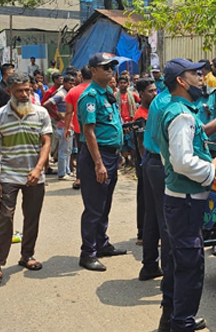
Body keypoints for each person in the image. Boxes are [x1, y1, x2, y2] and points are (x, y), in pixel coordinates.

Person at [153, 58, 216, 332]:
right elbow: (181, 161)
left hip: (180, 200)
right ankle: (181, 323)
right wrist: (211, 168)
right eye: (195, 73)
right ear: (181, 80)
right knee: (190, 268)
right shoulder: (180, 114)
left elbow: (191, 142)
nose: (202, 76)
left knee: (178, 263)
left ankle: (170, 320)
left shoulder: (179, 110)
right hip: (185, 202)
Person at [0, 72, 52, 285]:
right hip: (9, 176)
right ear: (9, 92)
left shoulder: (41, 114)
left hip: (34, 176)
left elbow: (46, 143)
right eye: (19, 91)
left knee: (32, 217)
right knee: (5, 217)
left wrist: (38, 169)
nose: (24, 94)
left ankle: (27, 255)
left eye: (27, 90)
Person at [76, 53, 127, 272]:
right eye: (105, 67)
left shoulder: (107, 94)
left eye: (112, 67)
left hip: (110, 155)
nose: (110, 71)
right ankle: (87, 253)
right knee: (94, 207)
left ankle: (101, 243)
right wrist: (99, 163)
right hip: (96, 156)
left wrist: (118, 152)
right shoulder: (90, 97)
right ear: (93, 70)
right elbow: (89, 132)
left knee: (105, 204)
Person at [132, 78, 156, 248]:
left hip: (149, 162)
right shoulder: (140, 115)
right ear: (141, 95)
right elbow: (141, 145)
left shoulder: (153, 111)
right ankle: (142, 232)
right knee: (144, 198)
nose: (154, 94)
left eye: (155, 90)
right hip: (145, 162)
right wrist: (145, 165)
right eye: (150, 91)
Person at [64, 66, 92, 190]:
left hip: (79, 129)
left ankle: (79, 178)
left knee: (81, 154)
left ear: (81, 76)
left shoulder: (73, 91)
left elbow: (69, 112)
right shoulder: (99, 90)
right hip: (97, 129)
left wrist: (66, 129)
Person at [44, 74, 76, 179]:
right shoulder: (61, 94)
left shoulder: (67, 93)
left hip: (69, 125)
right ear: (65, 83)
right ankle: (62, 173)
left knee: (68, 150)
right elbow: (47, 104)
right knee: (63, 150)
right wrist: (57, 115)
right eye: (70, 83)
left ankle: (67, 170)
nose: (72, 85)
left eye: (73, 83)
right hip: (63, 125)